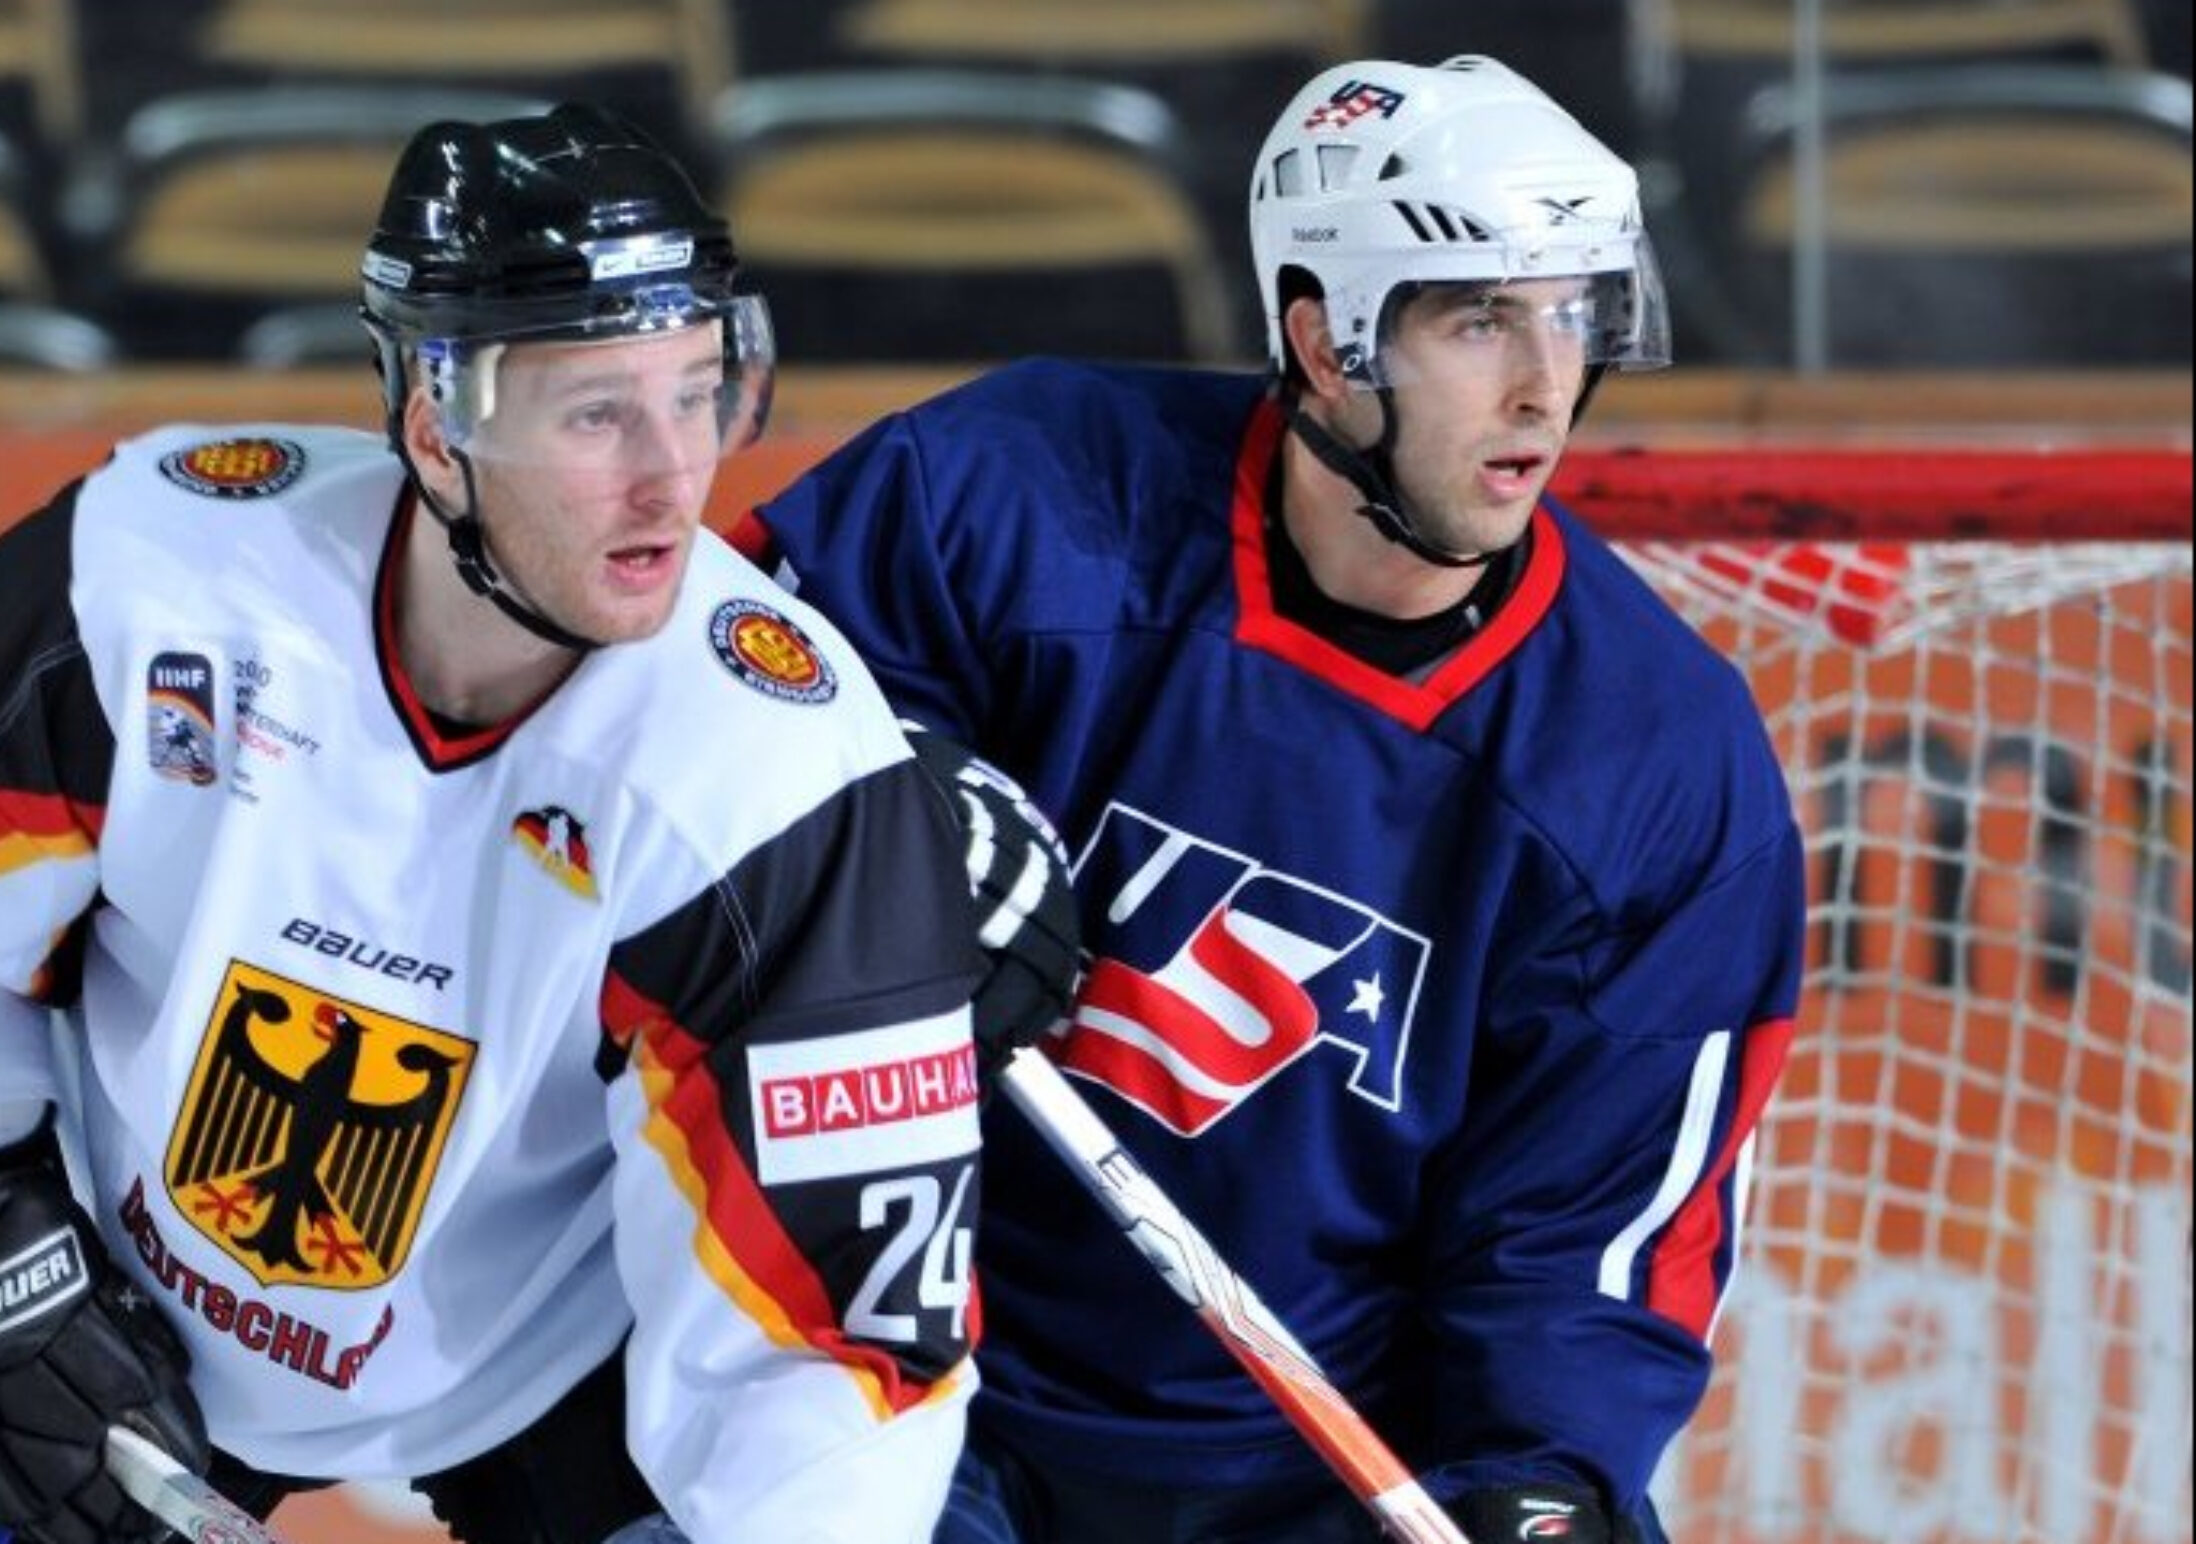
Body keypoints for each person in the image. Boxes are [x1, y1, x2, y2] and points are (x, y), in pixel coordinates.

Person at [0, 104, 1012, 1544]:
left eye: (697, 394)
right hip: (104, 1295)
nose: (673, 478)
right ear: (436, 425)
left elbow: (833, 1346)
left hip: (557, 1371)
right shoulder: (150, 584)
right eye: (597, 412)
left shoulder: (779, 781)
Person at [735, 55, 1806, 1544]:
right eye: (1479, 318)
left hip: (1322, 1464)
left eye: (1572, 314)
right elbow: (738, 694)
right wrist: (897, 810)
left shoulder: (1654, 757)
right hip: (904, 1378)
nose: (1544, 385)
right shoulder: (1024, 488)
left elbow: (1596, 1224)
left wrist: (1543, 1470)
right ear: (1324, 340)